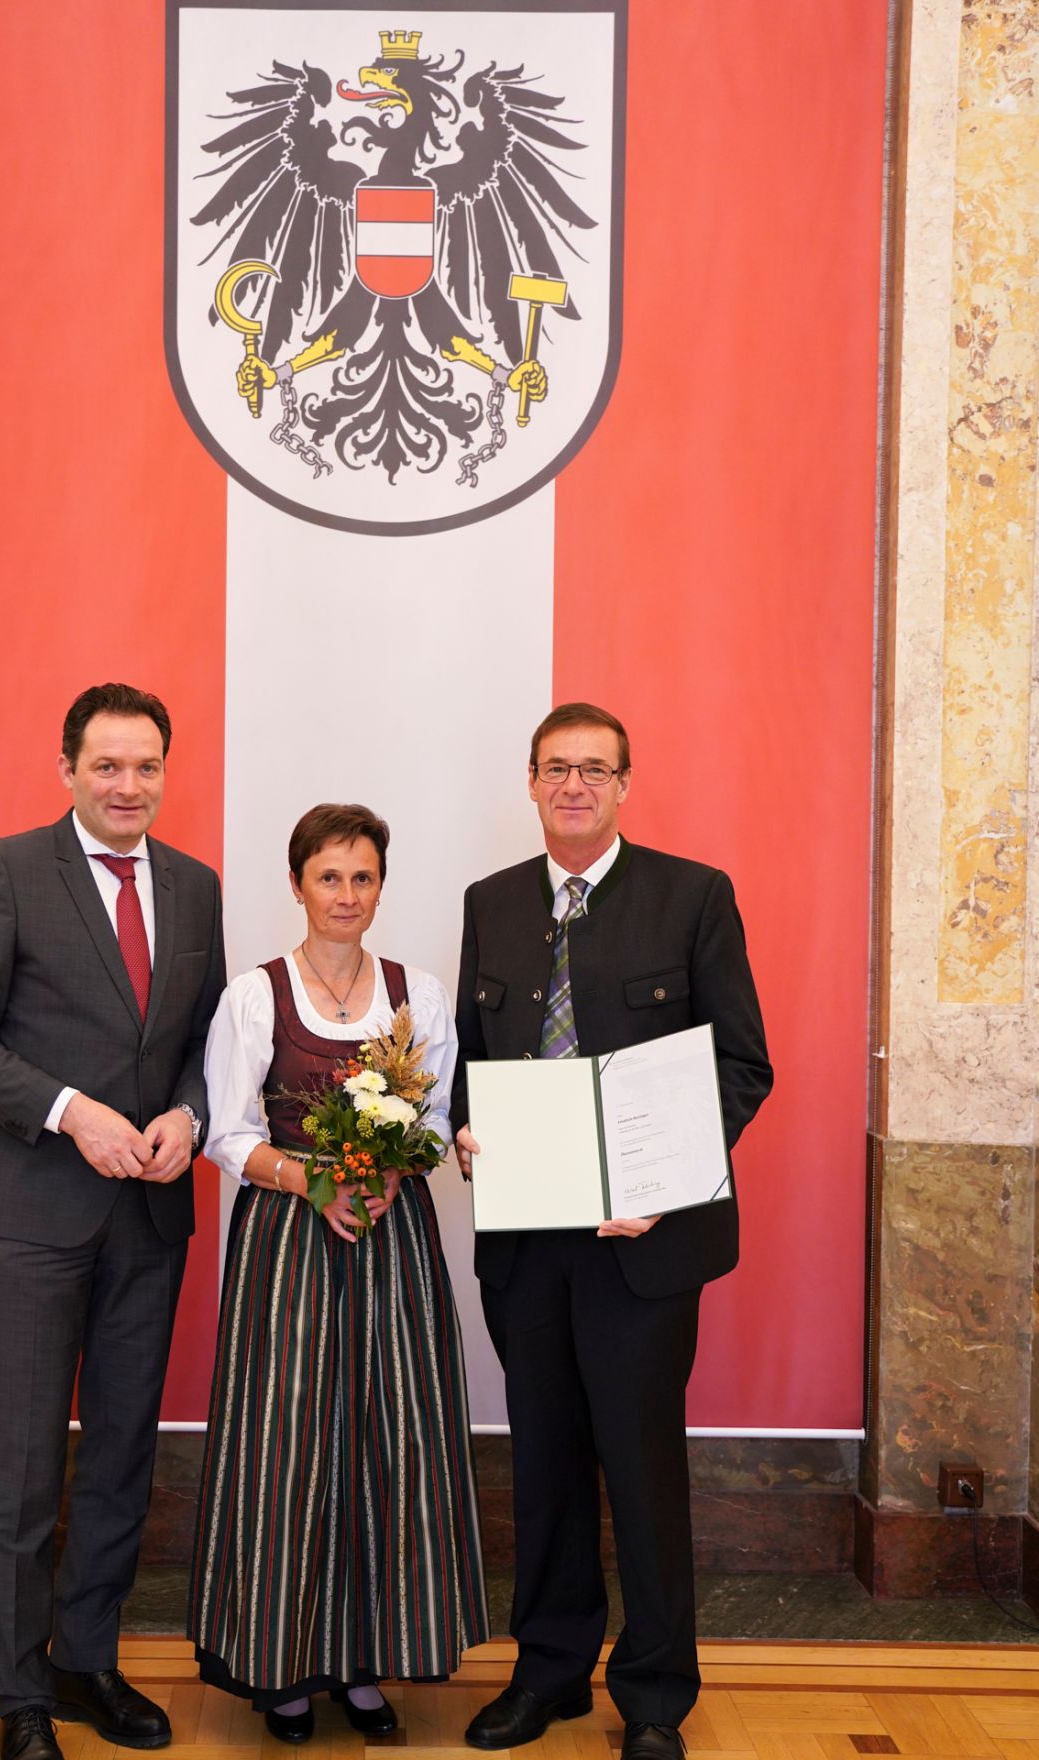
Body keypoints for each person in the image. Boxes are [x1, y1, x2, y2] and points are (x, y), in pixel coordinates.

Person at [453, 704, 772, 1760]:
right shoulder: (490, 902)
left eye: (596, 769)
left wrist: (665, 1175)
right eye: (558, 768)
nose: (576, 785)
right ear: (532, 782)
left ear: (627, 783)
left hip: (645, 1242)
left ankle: (652, 1696)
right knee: (542, 1459)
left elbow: (741, 1065)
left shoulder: (693, 895)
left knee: (640, 1465)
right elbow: (472, 1054)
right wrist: (462, 1129)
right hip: (527, 1244)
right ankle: (548, 1671)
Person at [0, 683, 226, 1760]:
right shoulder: (3, 871)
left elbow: (209, 1035)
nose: (128, 785)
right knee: (20, 1458)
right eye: (107, 765)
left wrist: (193, 1110)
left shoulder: (195, 887)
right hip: (32, 1210)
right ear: (67, 770)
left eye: (146, 765)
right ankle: (20, 1695)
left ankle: (86, 1658)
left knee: (120, 1452)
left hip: (151, 1213)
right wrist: (68, 1111)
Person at [189, 803, 488, 1744]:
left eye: (363, 878)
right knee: (286, 1450)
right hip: (289, 1244)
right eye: (330, 877)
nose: (347, 896)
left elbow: (438, 1118)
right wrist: (312, 1182)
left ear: (379, 887)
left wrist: (391, 1170)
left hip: (391, 1240)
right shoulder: (254, 995)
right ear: (297, 884)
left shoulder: (418, 994)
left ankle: (362, 1663)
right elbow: (228, 1134)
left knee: (385, 1441)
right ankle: (280, 1669)